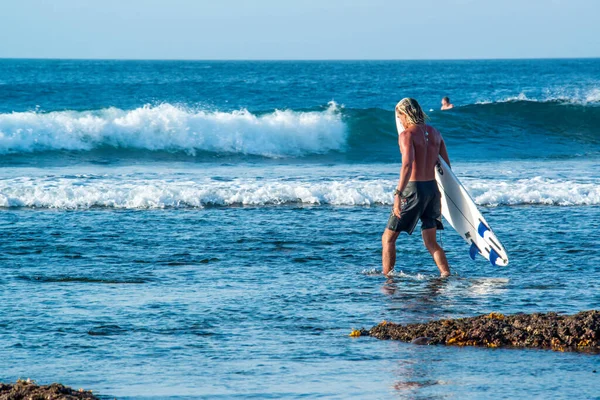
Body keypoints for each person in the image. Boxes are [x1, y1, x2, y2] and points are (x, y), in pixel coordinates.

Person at [382, 98, 451, 277]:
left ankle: (388, 279)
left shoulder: (406, 135)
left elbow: (407, 165)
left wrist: (398, 194)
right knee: (431, 242)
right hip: (432, 191)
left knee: (388, 238)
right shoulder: (436, 133)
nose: (400, 122)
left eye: (400, 117)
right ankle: (445, 274)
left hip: (413, 191)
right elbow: (446, 168)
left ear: (406, 115)